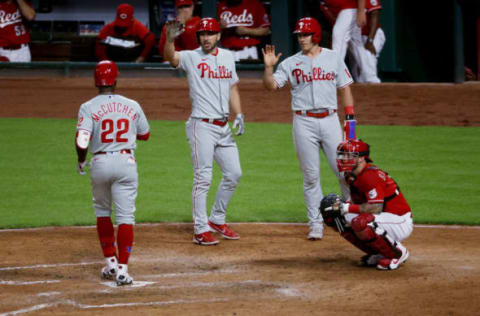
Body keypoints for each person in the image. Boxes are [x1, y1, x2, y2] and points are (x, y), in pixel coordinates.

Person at [262, 17, 355, 241]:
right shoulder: (290, 63)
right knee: (311, 177)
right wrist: (268, 68)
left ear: (316, 35)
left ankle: (352, 216)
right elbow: (271, 86)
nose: (302, 39)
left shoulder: (333, 58)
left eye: (305, 35)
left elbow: (345, 90)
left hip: (331, 120)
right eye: (299, 35)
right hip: (303, 123)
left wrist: (350, 129)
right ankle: (315, 223)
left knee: (344, 171)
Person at [164, 18, 245, 245]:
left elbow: (233, 87)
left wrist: (238, 114)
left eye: (210, 33)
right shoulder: (191, 56)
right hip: (201, 126)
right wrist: (170, 40)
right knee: (203, 178)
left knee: (234, 173)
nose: (206, 38)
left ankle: (217, 219)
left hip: (223, 127)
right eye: (202, 34)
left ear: (218, 36)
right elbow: (172, 58)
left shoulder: (228, 57)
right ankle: (200, 229)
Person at [75, 60, 150, 285]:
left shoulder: (88, 106)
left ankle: (110, 263)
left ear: (95, 81)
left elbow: (82, 139)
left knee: (102, 212)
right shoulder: (132, 104)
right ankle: (123, 270)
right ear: (116, 80)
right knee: (126, 216)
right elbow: (145, 135)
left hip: (99, 162)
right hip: (126, 162)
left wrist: (81, 161)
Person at [320, 139, 413, 270]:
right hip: (382, 218)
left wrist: (346, 208)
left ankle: (397, 254)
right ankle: (379, 253)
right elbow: (357, 203)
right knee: (334, 216)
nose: (344, 159)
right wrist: (342, 207)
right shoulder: (351, 176)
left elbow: (376, 207)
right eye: (343, 154)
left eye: (349, 155)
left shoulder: (370, 176)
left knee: (362, 222)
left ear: (361, 158)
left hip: (399, 220)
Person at [348, 0, 385, 83]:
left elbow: (375, 17)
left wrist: (370, 40)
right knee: (356, 62)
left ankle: (373, 82)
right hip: (356, 35)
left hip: (373, 34)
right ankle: (361, 84)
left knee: (368, 55)